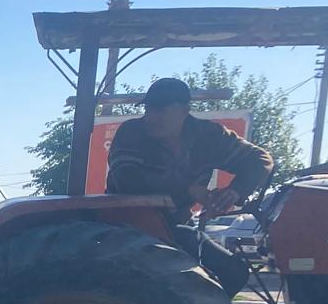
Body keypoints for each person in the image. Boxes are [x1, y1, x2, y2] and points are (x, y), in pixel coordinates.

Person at [106, 77, 274, 218]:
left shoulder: (209, 136)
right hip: (124, 223)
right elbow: (127, 179)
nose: (151, 117)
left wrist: (235, 191)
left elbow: (260, 159)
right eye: (149, 109)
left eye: (161, 111)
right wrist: (189, 189)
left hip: (176, 224)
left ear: (185, 111)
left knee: (218, 256)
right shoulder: (131, 132)